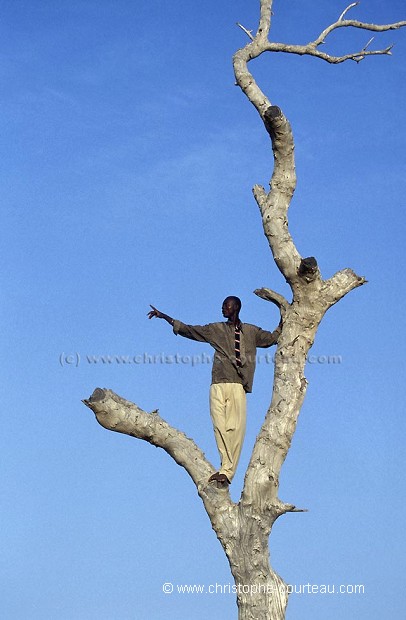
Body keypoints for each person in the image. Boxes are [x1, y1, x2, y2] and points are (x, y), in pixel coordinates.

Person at [147, 296, 281, 486]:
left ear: (235, 307)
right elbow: (190, 330)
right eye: (222, 305)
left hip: (237, 385)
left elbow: (272, 339)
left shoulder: (251, 332)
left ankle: (227, 472)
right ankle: (225, 466)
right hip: (217, 383)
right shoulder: (216, 329)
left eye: (226, 305)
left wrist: (285, 318)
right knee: (219, 426)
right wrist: (165, 317)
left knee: (235, 429)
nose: (222, 308)